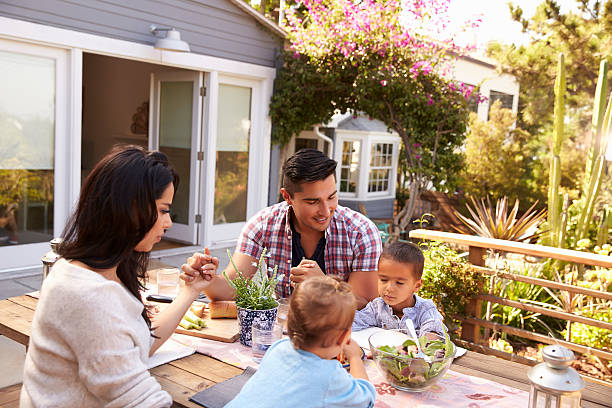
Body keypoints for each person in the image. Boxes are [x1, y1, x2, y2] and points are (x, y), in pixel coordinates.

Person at [20, 146, 215, 407]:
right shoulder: (87, 294)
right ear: (128, 209)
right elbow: (139, 399)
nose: (168, 223)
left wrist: (190, 291)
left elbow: (137, 345)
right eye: (163, 210)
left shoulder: (99, 271)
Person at [182, 148, 382, 308]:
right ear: (287, 197)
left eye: (331, 197)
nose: (325, 211)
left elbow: (366, 302)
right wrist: (206, 279)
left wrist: (325, 285)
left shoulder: (361, 232)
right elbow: (231, 290)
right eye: (313, 202)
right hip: (284, 333)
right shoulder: (262, 225)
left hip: (343, 340)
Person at [225, 276, 376, 408]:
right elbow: (366, 400)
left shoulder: (278, 347)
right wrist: (355, 358)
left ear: (288, 321)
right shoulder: (331, 376)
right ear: (344, 338)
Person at [352, 241, 446, 336]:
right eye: (384, 280)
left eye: (399, 283)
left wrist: (428, 342)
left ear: (417, 286)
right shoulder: (377, 308)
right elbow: (352, 322)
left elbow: (434, 334)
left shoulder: (425, 310)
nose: (389, 288)